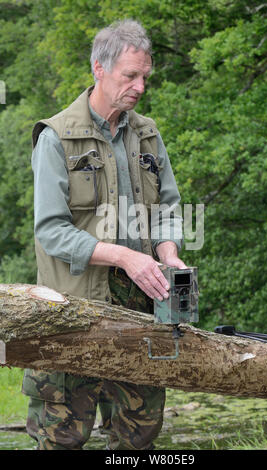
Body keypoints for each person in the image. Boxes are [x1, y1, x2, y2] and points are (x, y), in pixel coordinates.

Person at [22, 19, 185, 450]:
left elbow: (168, 207)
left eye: (145, 76)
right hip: (72, 309)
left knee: (138, 435)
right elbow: (51, 232)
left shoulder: (148, 133)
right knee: (63, 436)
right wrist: (125, 256)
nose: (141, 86)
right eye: (130, 75)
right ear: (98, 68)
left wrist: (168, 251)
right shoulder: (56, 138)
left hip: (142, 306)